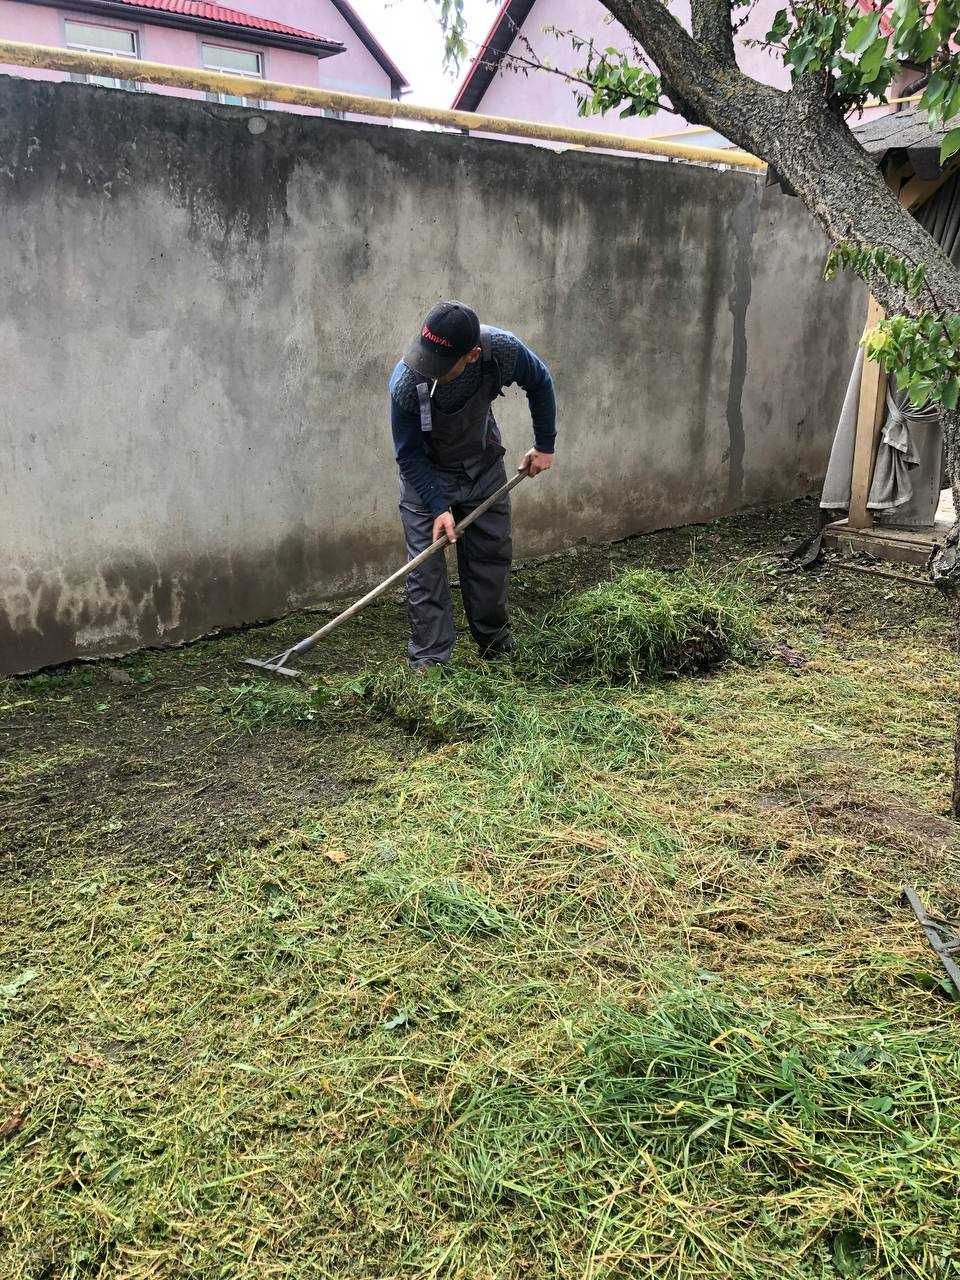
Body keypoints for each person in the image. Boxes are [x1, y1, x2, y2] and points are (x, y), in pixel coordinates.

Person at [390, 300, 556, 669]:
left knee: (490, 560)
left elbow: (540, 381)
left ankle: (496, 649)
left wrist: (545, 445)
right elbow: (408, 455)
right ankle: (431, 666)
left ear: (472, 355)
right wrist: (437, 508)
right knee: (425, 574)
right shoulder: (406, 382)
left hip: (482, 467)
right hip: (426, 478)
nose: (427, 371)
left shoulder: (502, 351)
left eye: (439, 365)